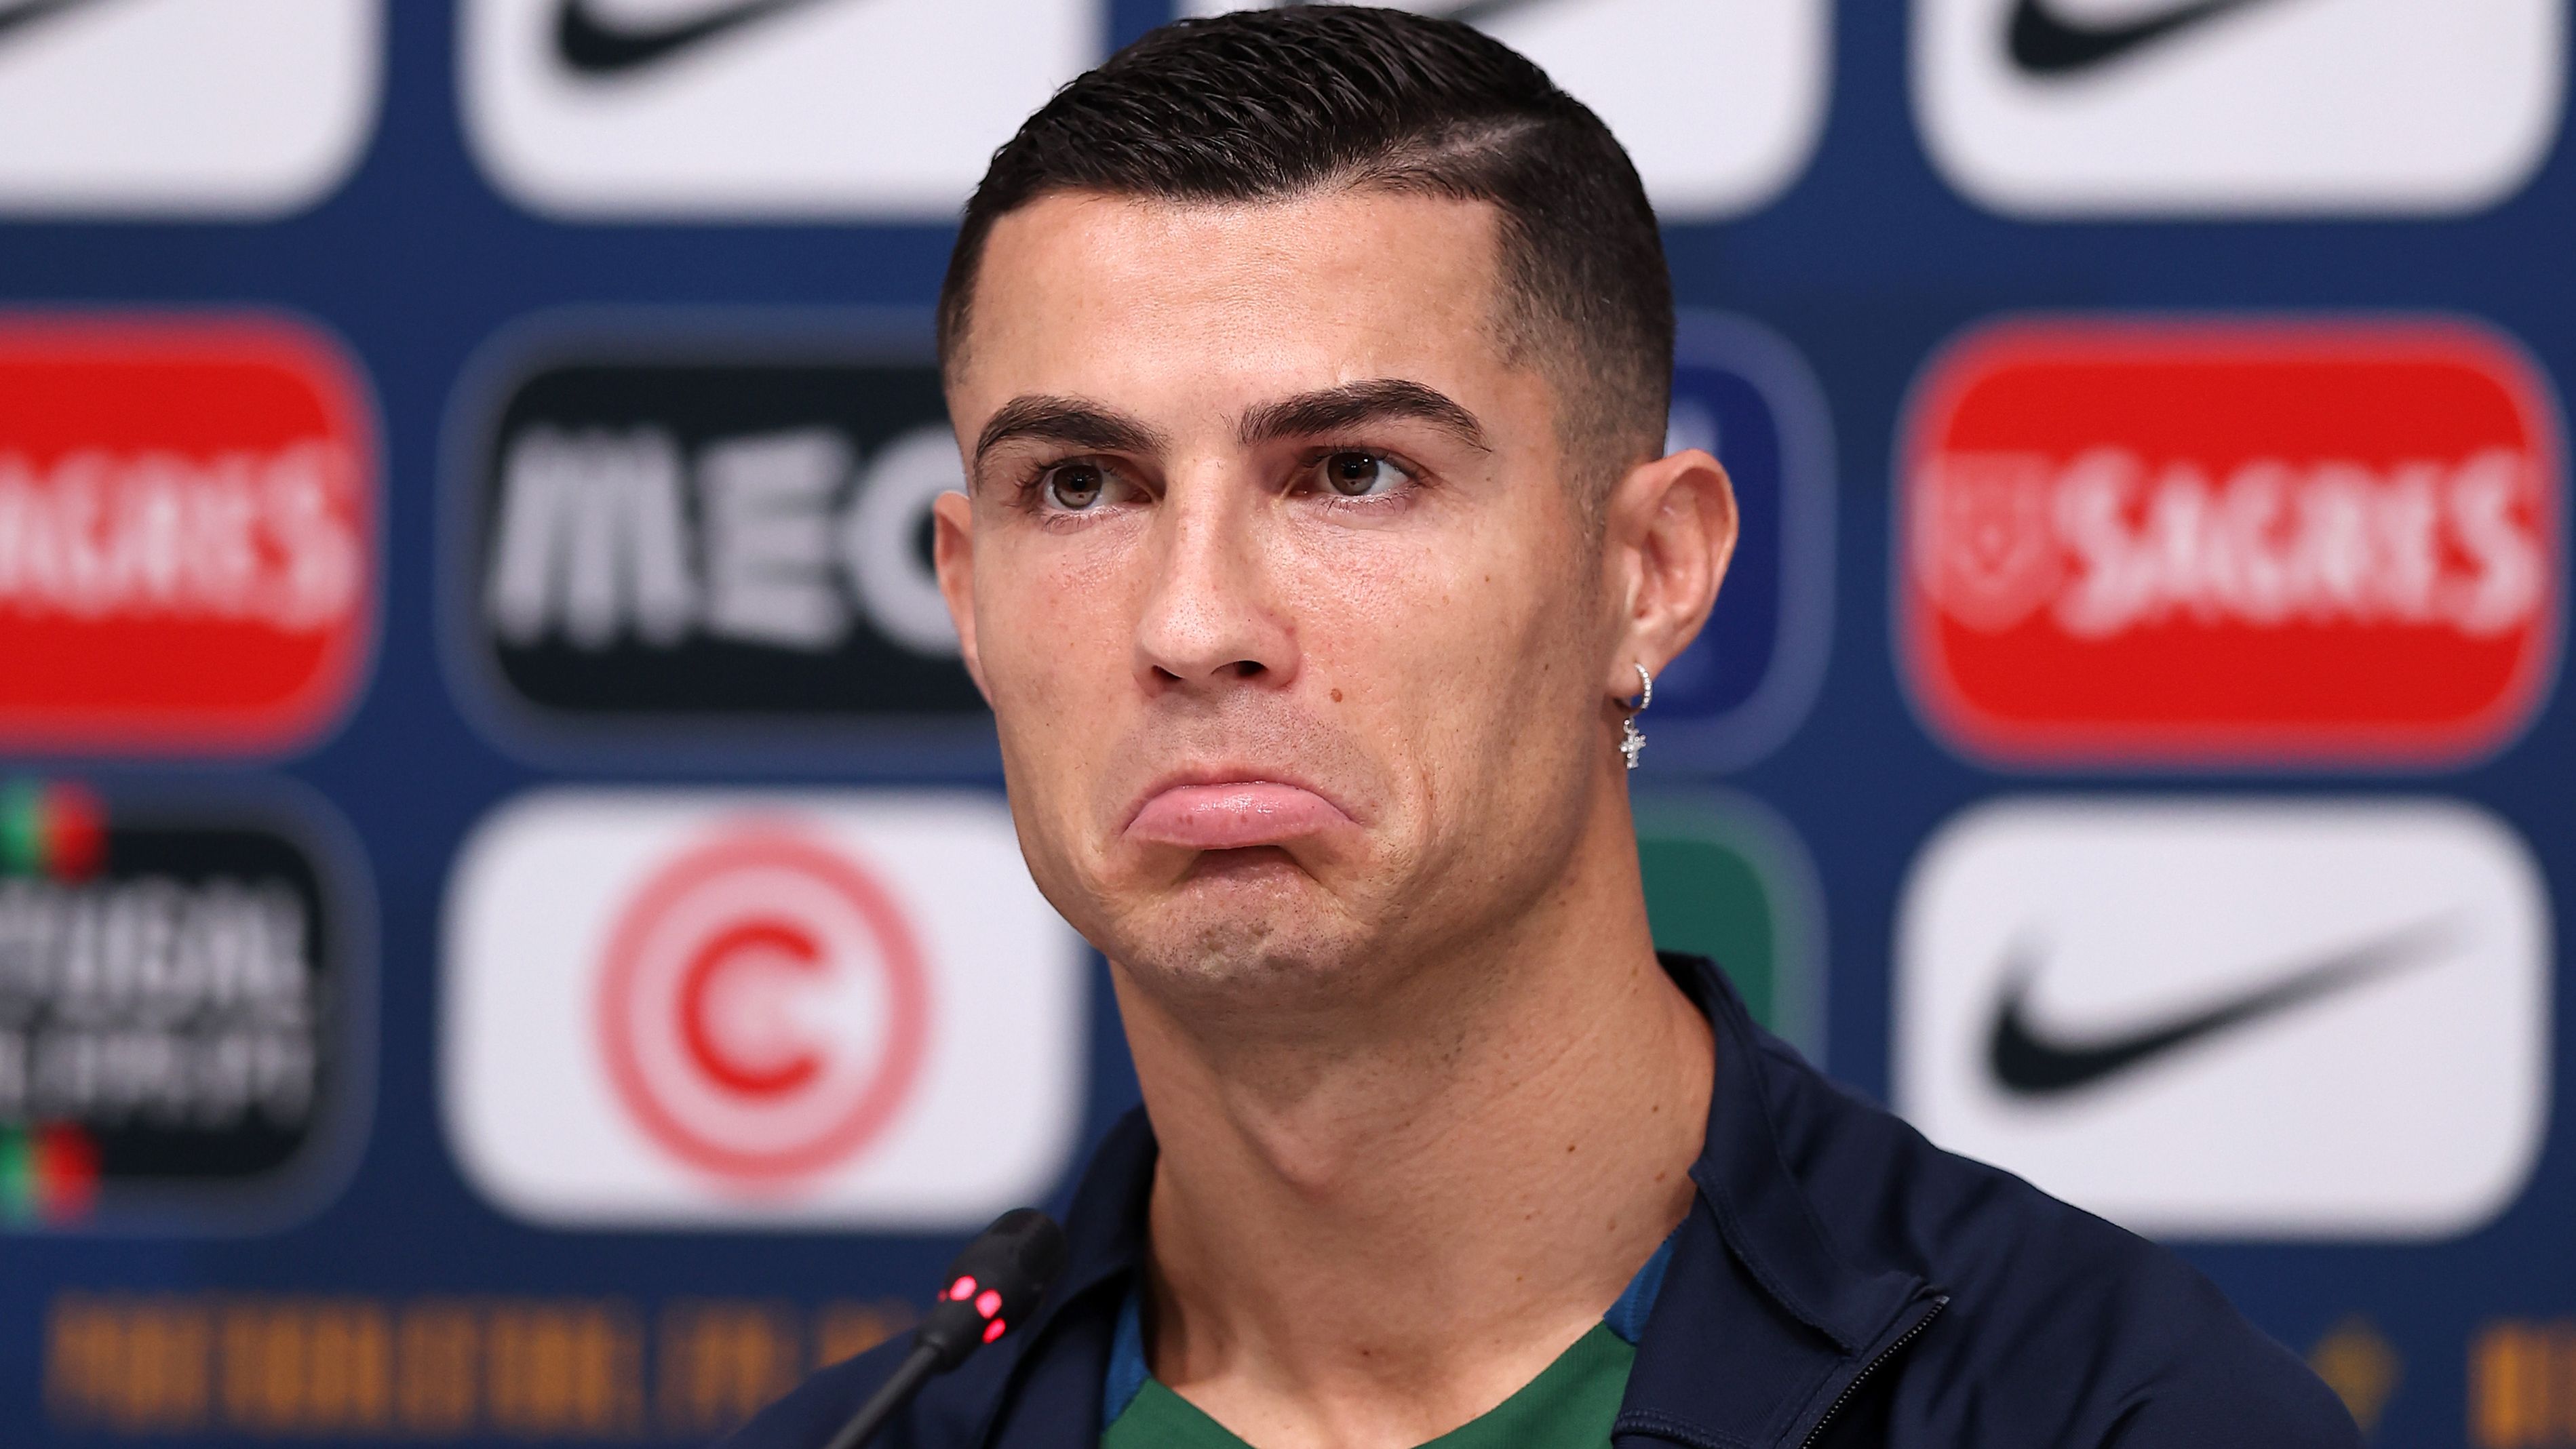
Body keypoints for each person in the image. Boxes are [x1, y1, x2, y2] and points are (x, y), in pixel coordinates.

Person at [725, 8, 2361, 1447]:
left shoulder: (2109, 1417)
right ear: (965, 594)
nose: (1193, 622)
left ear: (1648, 572)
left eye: (1352, 471)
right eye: (1079, 486)